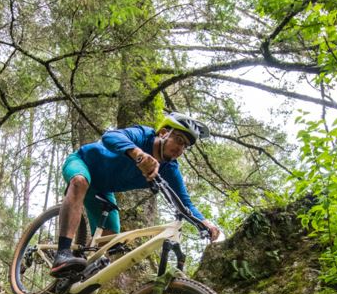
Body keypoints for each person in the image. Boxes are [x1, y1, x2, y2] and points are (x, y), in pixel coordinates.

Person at [50, 112, 221, 274]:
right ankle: (62, 253)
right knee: (80, 182)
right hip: (82, 163)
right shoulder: (143, 135)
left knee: (110, 240)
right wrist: (139, 155)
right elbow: (110, 137)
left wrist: (205, 223)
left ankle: (72, 277)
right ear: (162, 133)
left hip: (102, 189)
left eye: (185, 145)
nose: (180, 148)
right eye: (178, 139)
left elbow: (185, 204)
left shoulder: (170, 169)